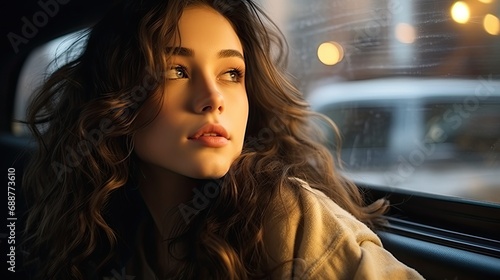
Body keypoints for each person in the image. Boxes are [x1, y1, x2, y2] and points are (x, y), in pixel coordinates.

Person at [22, 0, 424, 279]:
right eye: (175, 70)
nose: (213, 98)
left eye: (232, 73)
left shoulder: (282, 215)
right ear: (114, 97)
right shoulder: (133, 243)